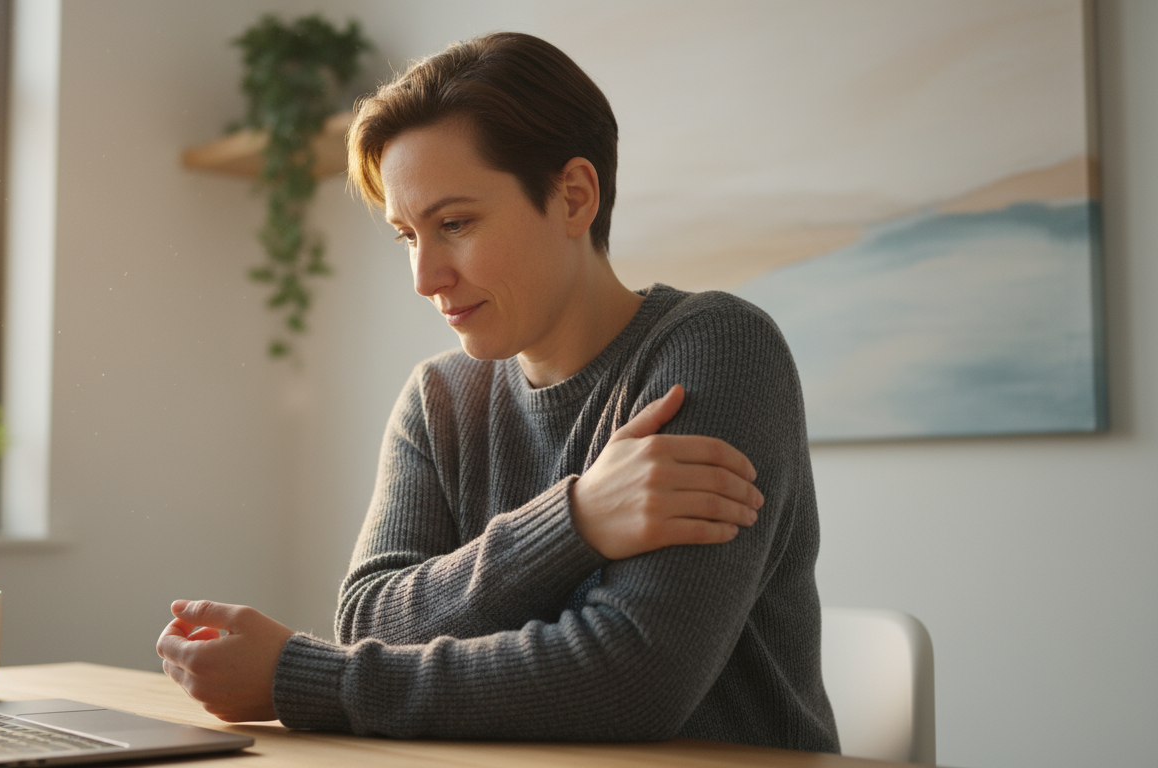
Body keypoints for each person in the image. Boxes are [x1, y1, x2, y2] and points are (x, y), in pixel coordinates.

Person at [158, 32, 839, 751]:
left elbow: (630, 681)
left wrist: (305, 677)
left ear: (574, 197)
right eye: (407, 236)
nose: (425, 278)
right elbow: (369, 619)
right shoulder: (439, 399)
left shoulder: (719, 347)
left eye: (455, 224)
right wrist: (574, 519)